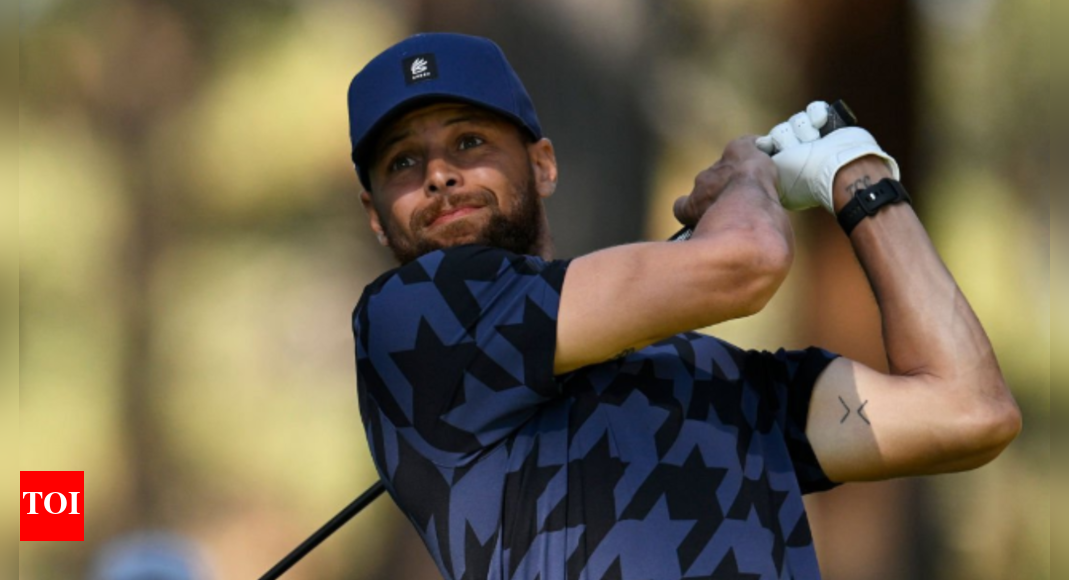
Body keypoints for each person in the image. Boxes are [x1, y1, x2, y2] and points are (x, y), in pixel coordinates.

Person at [347, 33, 1022, 580]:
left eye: (469, 142)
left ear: (544, 166)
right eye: (403, 162)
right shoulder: (408, 320)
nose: (438, 173)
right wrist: (745, 179)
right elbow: (747, 263)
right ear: (376, 217)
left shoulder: (710, 377)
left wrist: (861, 180)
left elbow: (969, 411)